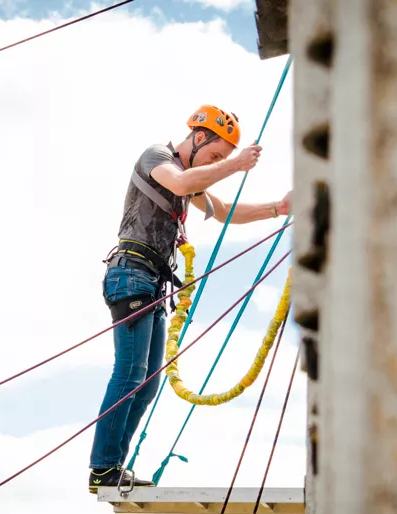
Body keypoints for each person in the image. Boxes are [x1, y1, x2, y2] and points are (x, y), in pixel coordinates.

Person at [88, 104, 291, 493]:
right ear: (198, 138)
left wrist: (278, 209)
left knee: (148, 382)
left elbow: (224, 211)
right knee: (130, 373)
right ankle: (103, 468)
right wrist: (234, 166)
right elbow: (180, 185)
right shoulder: (158, 157)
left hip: (151, 282)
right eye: (215, 155)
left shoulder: (189, 176)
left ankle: (111, 468)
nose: (218, 163)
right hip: (131, 274)